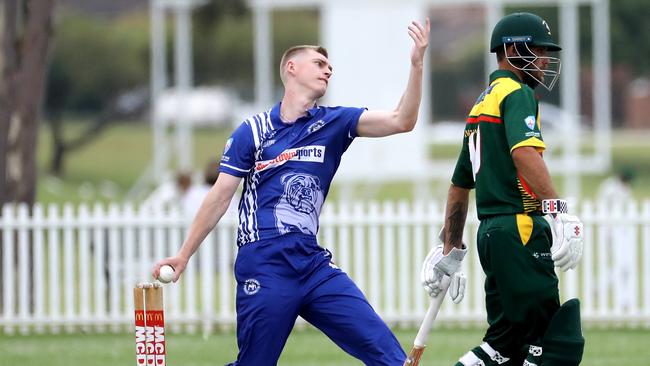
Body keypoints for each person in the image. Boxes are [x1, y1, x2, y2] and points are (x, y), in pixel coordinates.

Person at [152, 19, 430, 365]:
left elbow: (403, 120)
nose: (328, 71)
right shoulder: (251, 131)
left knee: (391, 359)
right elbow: (220, 196)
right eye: (319, 64)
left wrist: (416, 64)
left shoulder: (335, 122)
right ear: (291, 68)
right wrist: (183, 255)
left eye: (330, 67)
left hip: (312, 264)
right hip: (265, 263)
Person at [421, 13, 585, 366]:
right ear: (512, 49)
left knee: (503, 345)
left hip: (491, 235)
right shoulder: (517, 92)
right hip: (520, 227)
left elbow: (459, 184)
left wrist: (450, 248)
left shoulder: (482, 103)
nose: (544, 59)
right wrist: (559, 211)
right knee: (554, 344)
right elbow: (524, 152)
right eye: (538, 49)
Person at [598, 168, 636, 311]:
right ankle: (601, 287)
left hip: (621, 231)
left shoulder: (623, 189)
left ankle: (600, 286)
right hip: (611, 231)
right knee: (621, 265)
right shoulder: (610, 188)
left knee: (623, 265)